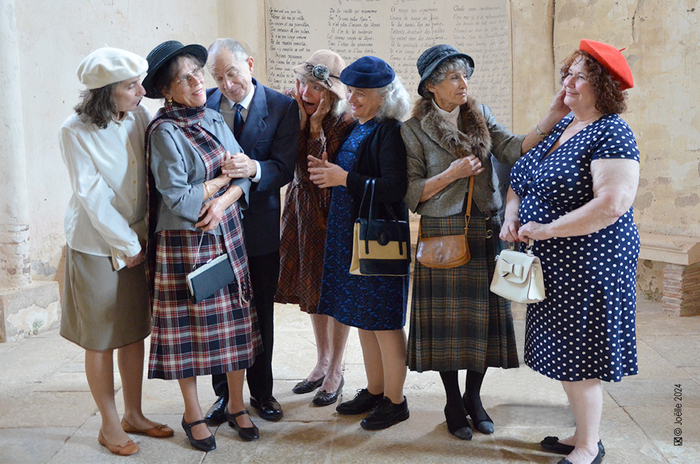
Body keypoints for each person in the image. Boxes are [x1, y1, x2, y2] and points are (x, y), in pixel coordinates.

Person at [401, 44, 569, 440]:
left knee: (483, 325)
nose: (464, 84)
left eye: (465, 76)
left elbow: (512, 148)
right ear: (431, 86)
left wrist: (553, 116)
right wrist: (451, 173)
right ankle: (452, 402)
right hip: (442, 232)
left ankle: (474, 399)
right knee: (446, 329)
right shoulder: (410, 130)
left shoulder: (480, 113)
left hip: (487, 228)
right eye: (454, 77)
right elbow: (410, 193)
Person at [500, 39, 639, 464]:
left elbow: (613, 203)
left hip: (591, 261)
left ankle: (588, 447)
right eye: (568, 73)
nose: (569, 81)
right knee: (566, 354)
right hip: (553, 261)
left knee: (581, 356)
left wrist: (548, 229)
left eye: (581, 76)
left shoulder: (612, 131)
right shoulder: (564, 125)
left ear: (604, 87)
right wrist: (511, 213)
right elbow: (519, 175)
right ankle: (583, 432)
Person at [142, 40, 261, 449]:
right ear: (167, 91)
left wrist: (226, 195)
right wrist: (220, 182)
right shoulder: (163, 131)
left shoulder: (212, 116)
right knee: (187, 334)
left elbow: (244, 171)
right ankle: (193, 412)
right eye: (184, 78)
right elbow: (178, 199)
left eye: (197, 71)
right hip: (185, 244)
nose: (197, 81)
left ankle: (236, 404)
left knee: (234, 325)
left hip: (226, 234)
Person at [59, 47, 174, 457]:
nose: (142, 91)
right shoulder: (74, 130)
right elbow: (92, 196)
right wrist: (126, 245)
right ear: (107, 93)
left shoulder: (139, 116)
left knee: (131, 331)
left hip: (138, 241)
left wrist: (141, 241)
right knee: (101, 338)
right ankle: (109, 425)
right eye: (131, 86)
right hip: (95, 246)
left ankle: (134, 414)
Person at [308, 56, 411, 430]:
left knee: (384, 321)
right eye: (350, 91)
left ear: (383, 96)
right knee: (365, 319)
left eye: (361, 93)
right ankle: (376, 389)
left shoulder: (390, 131)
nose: (352, 98)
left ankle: (396, 402)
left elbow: (394, 187)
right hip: (351, 238)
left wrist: (342, 178)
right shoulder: (361, 126)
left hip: (377, 240)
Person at [203, 38, 299, 424]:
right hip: (216, 231)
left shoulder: (281, 106)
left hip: (259, 227)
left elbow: (284, 167)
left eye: (233, 73)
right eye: (219, 77)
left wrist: (253, 169)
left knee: (260, 311)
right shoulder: (205, 103)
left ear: (250, 65)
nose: (227, 84)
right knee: (216, 311)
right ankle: (223, 395)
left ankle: (261, 392)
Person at [275, 50, 356, 406]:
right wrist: (305, 122)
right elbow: (289, 163)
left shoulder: (346, 120)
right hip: (301, 212)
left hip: (333, 213)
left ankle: (337, 368)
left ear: (333, 93)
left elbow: (317, 168)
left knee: (337, 292)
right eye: (305, 83)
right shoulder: (292, 113)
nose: (308, 92)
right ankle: (321, 361)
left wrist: (317, 124)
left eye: (317, 86)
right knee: (313, 288)